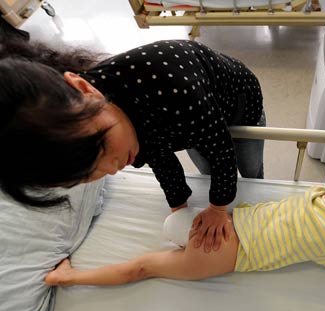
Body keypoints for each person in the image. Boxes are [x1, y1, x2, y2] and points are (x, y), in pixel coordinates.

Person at [0, 38, 265, 252]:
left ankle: (257, 179)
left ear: (84, 88)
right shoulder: (116, 120)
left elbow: (221, 148)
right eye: (87, 176)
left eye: (101, 148)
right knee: (206, 169)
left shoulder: (172, 86)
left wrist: (218, 208)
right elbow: (157, 152)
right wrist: (179, 209)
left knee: (249, 164)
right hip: (195, 120)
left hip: (238, 105)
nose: (113, 168)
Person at [45, 151, 325, 287]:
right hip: (221, 251)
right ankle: (68, 277)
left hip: (220, 223)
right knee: (143, 269)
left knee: (160, 248)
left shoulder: (318, 196)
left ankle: (176, 225)